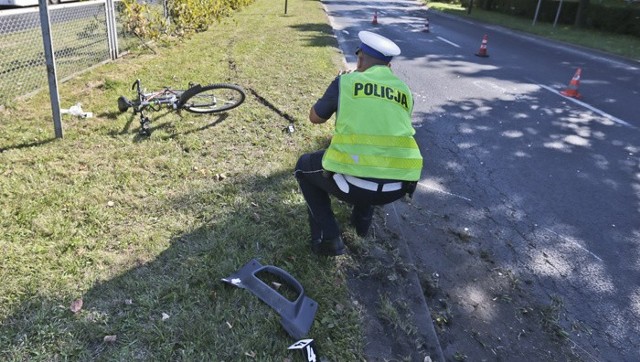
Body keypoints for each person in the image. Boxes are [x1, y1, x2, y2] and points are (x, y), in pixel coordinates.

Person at [294, 31, 424, 256]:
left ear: (361, 58)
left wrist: (339, 86)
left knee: (303, 167)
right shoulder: (405, 91)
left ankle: (329, 239)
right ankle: (361, 226)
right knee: (372, 160)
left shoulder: (346, 81)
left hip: (354, 184)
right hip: (398, 187)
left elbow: (315, 117)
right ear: (389, 66)